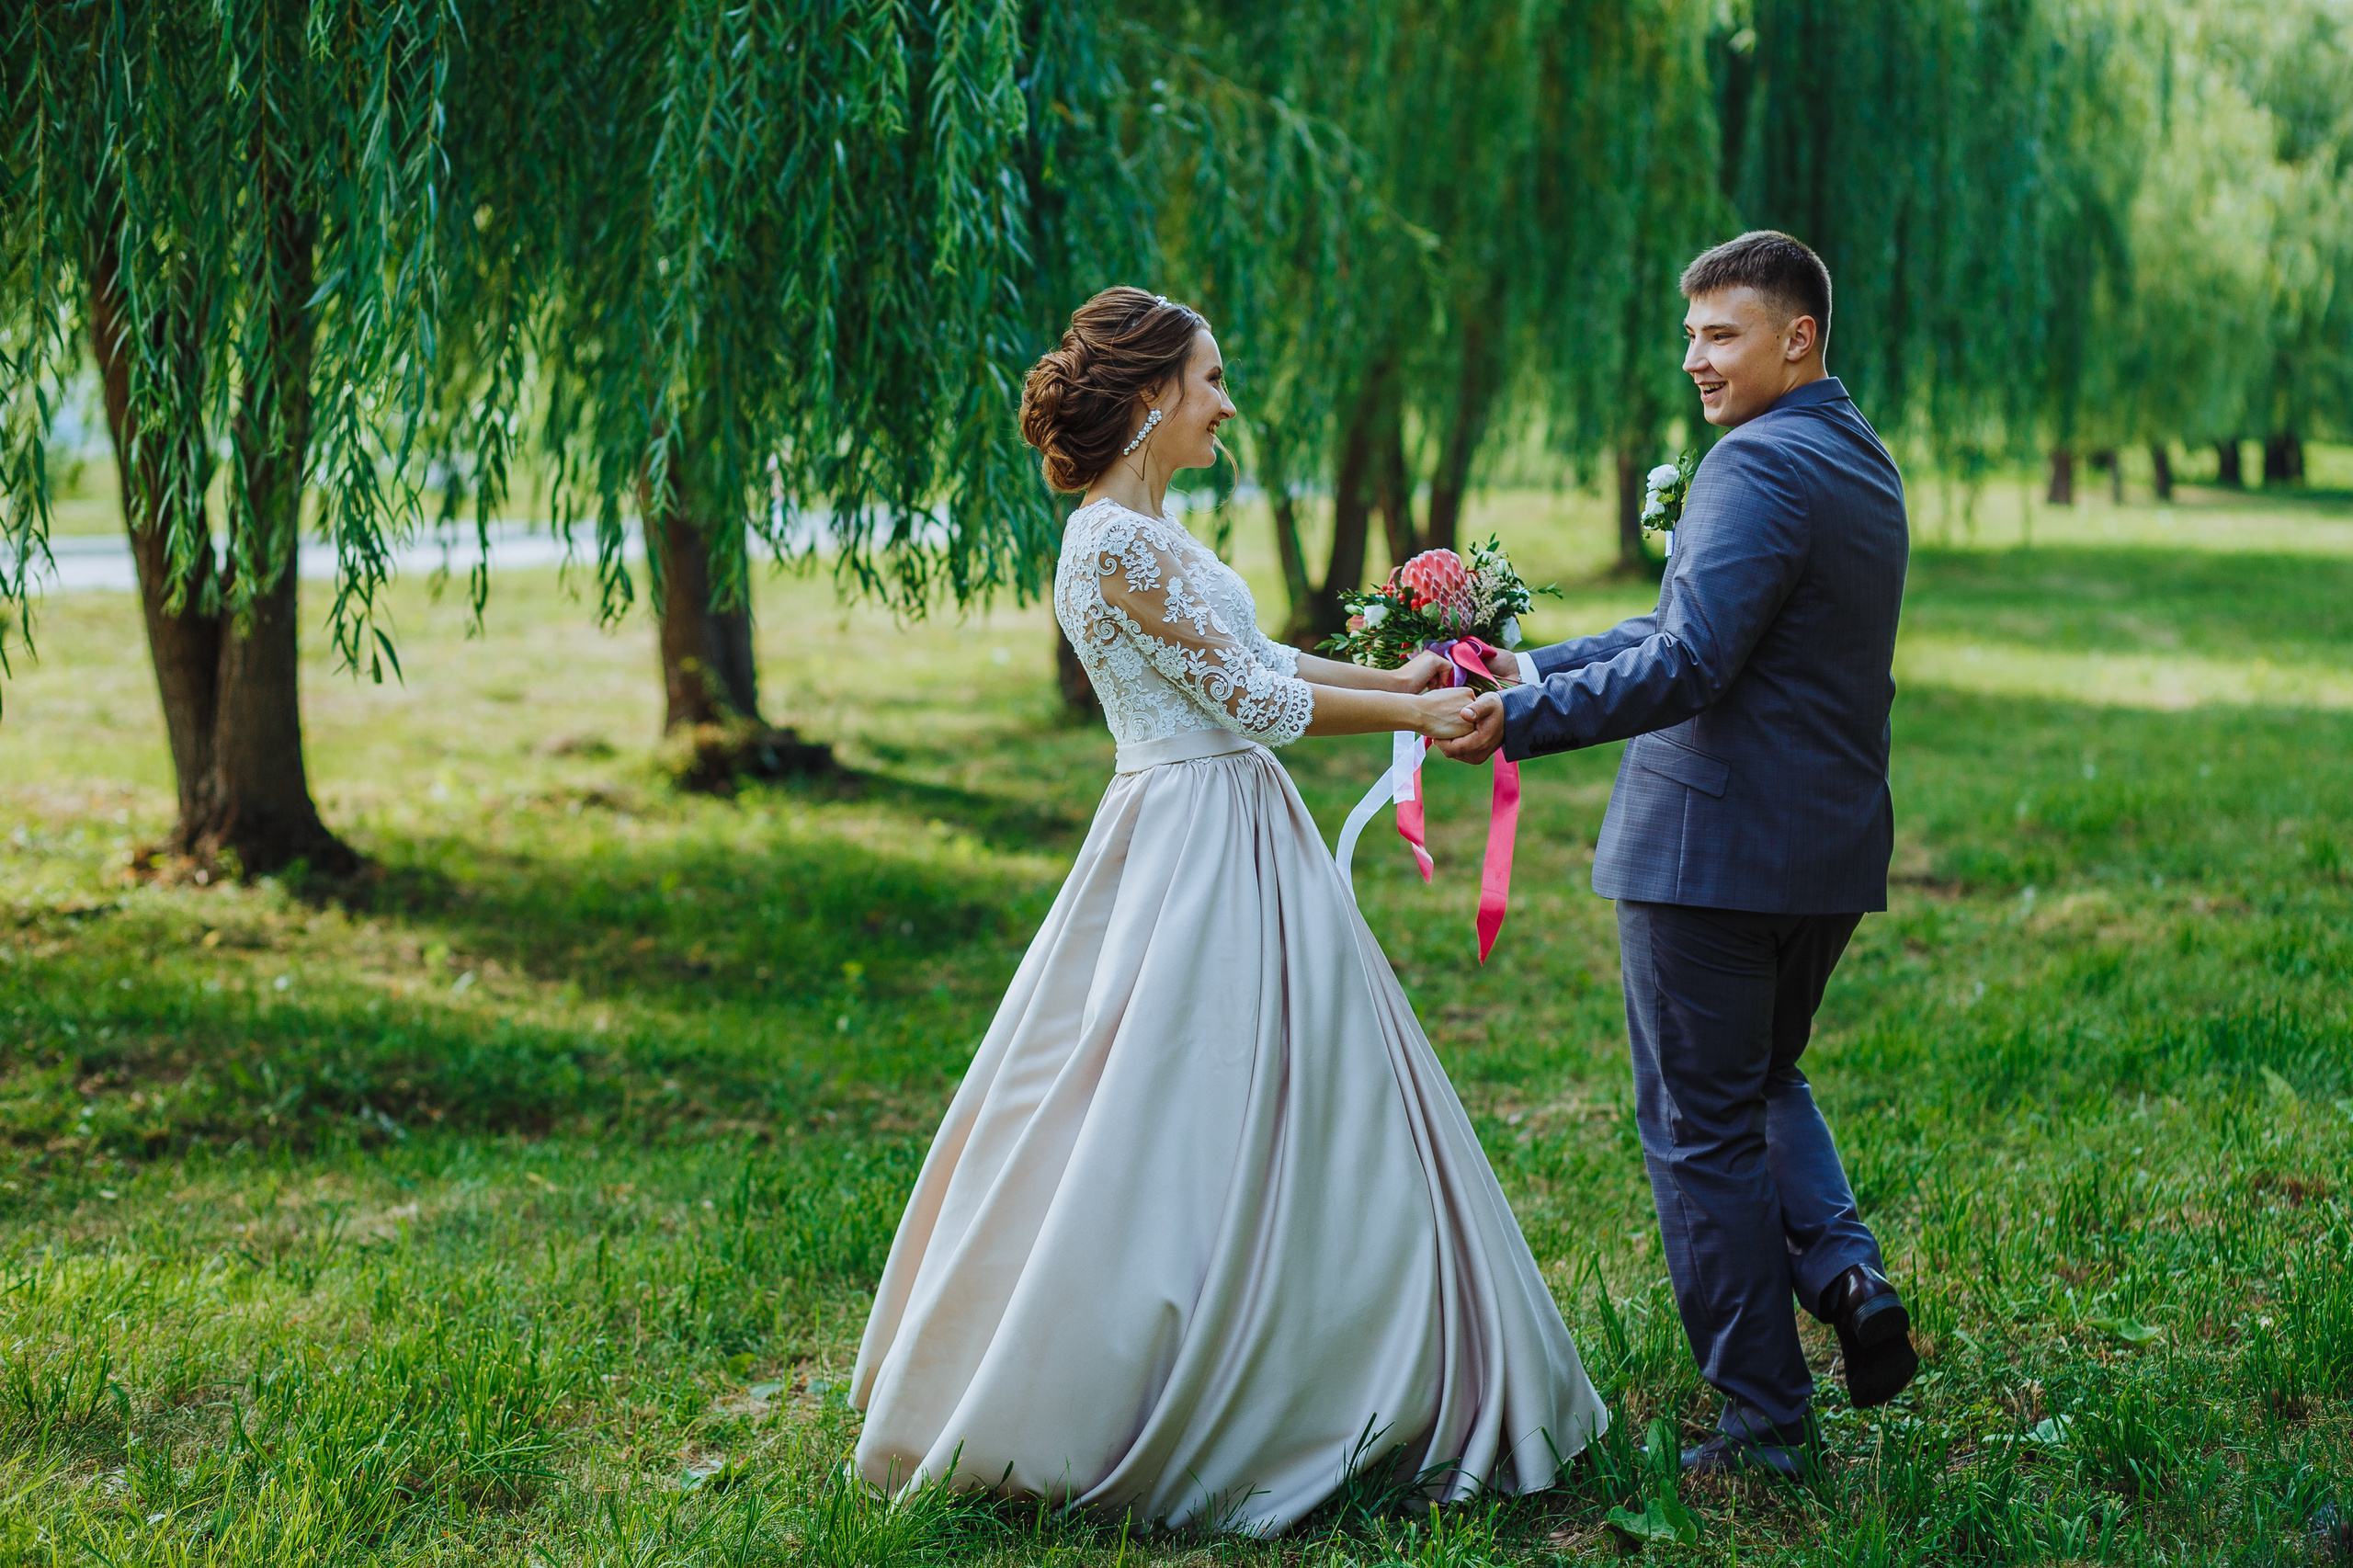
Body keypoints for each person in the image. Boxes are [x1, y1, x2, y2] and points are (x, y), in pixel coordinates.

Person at [848, 286, 1605, 1532]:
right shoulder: (1113, 546)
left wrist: (1395, 678)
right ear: (1152, 395)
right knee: (1173, 1103)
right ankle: (1161, 1380)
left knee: (1305, 1094)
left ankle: (1336, 1351)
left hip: (1235, 822)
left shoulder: (1152, 533)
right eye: (1209, 380)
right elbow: (1254, 704)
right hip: (1193, 838)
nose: (1227, 403)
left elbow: (1263, 662)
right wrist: (1418, 713)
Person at [1440, 232, 1919, 1475]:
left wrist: (1518, 722)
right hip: (1821, 849)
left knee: (1699, 1127)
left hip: (1706, 857)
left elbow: (1691, 661)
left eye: (1722, 334)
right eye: (1690, 335)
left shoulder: (1753, 462)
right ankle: (1847, 1274)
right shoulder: (1856, 455)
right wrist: (1525, 666)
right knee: (1760, 1077)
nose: (1696, 360)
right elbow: (1682, 623)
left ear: (1798, 336)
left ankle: (1764, 1422)